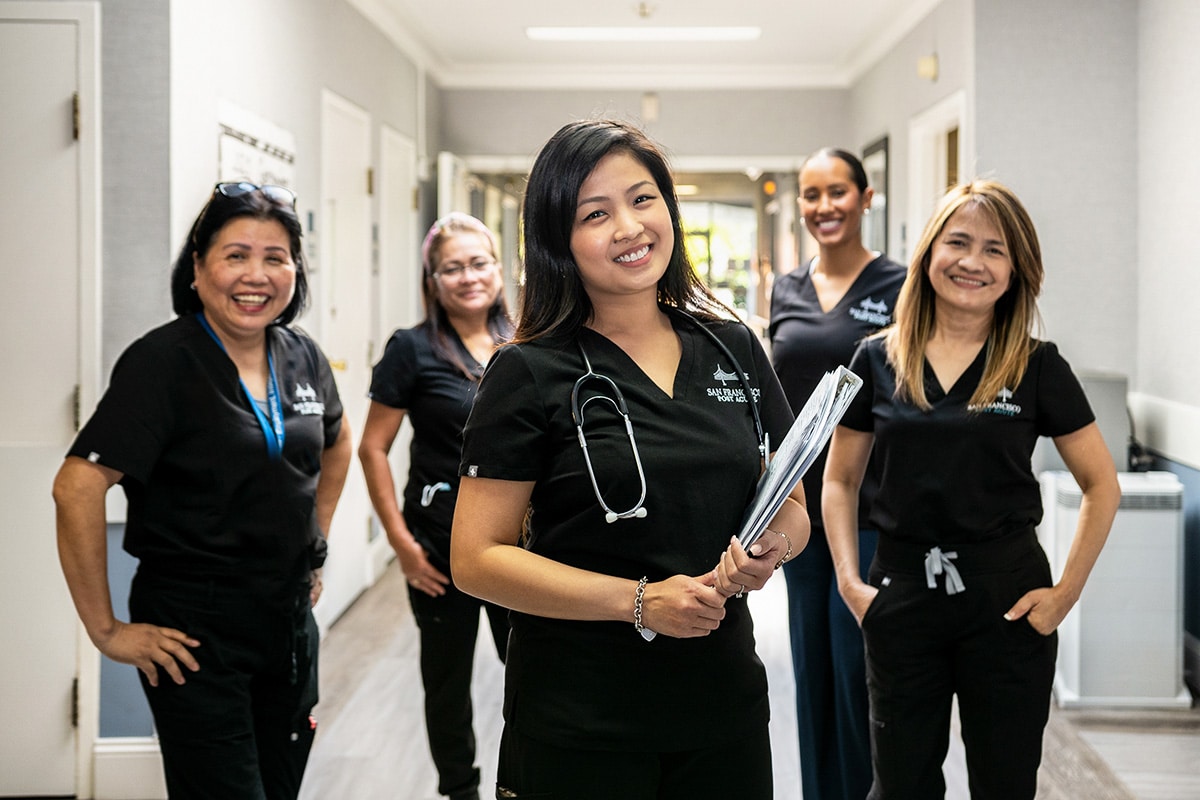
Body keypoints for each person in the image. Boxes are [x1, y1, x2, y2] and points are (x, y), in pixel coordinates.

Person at [449, 118, 809, 800]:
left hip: (721, 708)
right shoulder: (528, 371)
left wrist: (772, 548)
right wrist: (639, 604)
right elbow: (474, 559)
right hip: (581, 721)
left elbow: (792, 504)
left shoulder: (733, 348)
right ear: (558, 239)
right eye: (595, 213)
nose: (629, 226)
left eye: (643, 199)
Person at [53, 181, 353, 800]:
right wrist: (106, 630)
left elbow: (337, 442)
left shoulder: (303, 356)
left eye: (276, 257)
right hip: (194, 632)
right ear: (197, 268)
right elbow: (77, 487)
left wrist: (313, 541)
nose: (257, 274)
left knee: (280, 786)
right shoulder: (162, 364)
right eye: (235, 254)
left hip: (289, 624)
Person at [822, 179, 1120, 800]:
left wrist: (1064, 595)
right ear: (930, 253)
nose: (972, 262)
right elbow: (840, 479)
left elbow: (1101, 484)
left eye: (995, 250)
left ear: (1016, 271)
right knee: (901, 783)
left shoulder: (1039, 367)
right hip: (901, 595)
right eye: (958, 242)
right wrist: (851, 584)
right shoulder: (875, 359)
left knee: (1005, 783)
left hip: (1007, 601)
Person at [358, 212, 513, 800]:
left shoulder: (527, 339)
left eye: (479, 263)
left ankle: (524, 781)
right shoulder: (411, 350)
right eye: (453, 268)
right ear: (432, 279)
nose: (468, 277)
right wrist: (401, 545)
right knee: (445, 681)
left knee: (530, 673)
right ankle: (461, 790)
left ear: (499, 269)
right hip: (437, 545)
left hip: (517, 548)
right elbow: (373, 448)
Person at [769, 147, 905, 800]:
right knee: (811, 666)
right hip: (798, 509)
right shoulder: (785, 289)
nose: (823, 207)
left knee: (858, 671)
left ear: (866, 197)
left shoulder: (901, 288)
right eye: (810, 194)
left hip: (869, 510)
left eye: (837, 192)